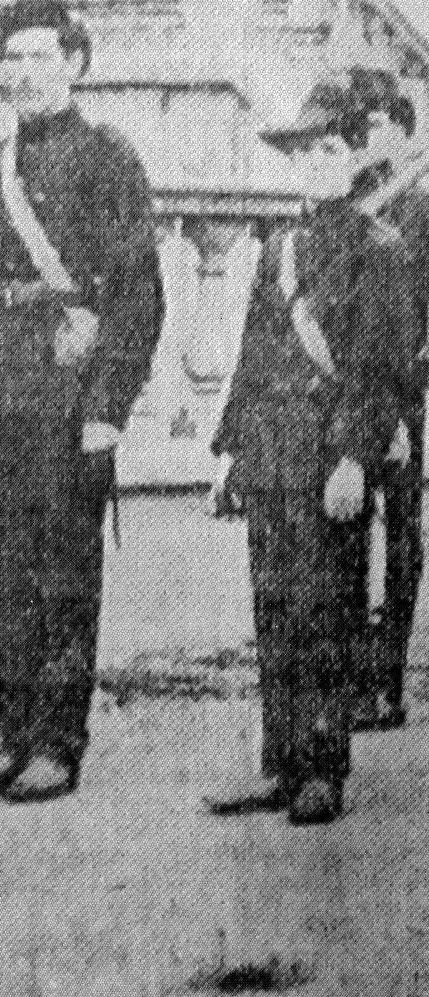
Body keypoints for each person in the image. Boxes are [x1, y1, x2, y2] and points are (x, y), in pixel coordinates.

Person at [0, 0, 164, 801]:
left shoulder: (107, 156)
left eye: (39, 55)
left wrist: (108, 407)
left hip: (69, 390)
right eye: (12, 58)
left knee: (63, 569)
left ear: (72, 62)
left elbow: (137, 293)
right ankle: (12, 736)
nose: (24, 72)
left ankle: (57, 743)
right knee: (6, 565)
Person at [207, 67, 410, 824]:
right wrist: (233, 453)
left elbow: (380, 370)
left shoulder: (381, 249)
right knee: (275, 610)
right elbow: (254, 356)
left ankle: (322, 764)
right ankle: (280, 761)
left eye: (330, 148)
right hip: (272, 451)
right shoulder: (280, 250)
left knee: (328, 610)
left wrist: (354, 458)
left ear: (357, 156)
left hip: (331, 457)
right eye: (304, 151)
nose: (315, 163)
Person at [349, 81, 428, 731]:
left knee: (400, 531)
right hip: (346, 389)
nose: (366, 138)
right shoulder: (348, 200)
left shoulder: (420, 207)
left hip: (400, 388)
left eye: (376, 124)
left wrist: (410, 390)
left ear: (402, 131)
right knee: (344, 528)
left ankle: (387, 678)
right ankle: (348, 677)